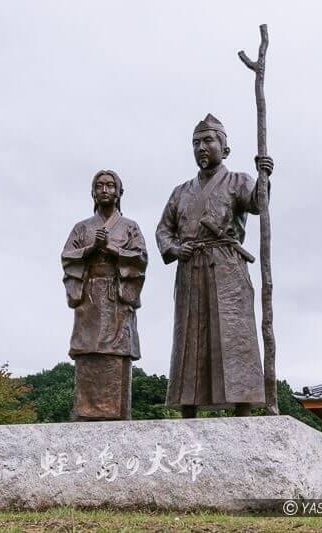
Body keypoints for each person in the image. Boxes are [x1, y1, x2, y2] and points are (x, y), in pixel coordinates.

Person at [156, 114, 274, 418]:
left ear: (225, 148)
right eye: (196, 143)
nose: (201, 147)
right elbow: (163, 231)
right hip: (191, 266)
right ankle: (188, 408)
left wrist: (264, 177)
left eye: (208, 141)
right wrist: (175, 248)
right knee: (190, 337)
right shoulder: (180, 192)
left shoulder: (238, 181)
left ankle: (243, 407)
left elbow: (258, 205)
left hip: (227, 268)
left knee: (234, 335)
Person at [62, 170, 147, 421]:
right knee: (87, 349)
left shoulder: (130, 227)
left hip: (116, 297)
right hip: (89, 296)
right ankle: (85, 412)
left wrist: (111, 248)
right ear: (93, 192)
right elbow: (68, 257)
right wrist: (92, 249)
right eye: (99, 186)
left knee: (116, 351)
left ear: (119, 192)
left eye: (111, 186)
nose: (105, 190)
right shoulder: (81, 228)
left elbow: (140, 258)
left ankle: (115, 413)